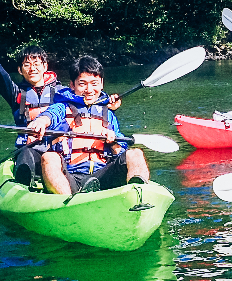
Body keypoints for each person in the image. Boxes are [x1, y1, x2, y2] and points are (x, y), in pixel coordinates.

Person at [26, 54, 147, 196]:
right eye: (82, 84)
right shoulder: (62, 107)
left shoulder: (108, 114)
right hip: (70, 177)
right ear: (72, 85)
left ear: (101, 83)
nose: (89, 90)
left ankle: (139, 195)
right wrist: (40, 123)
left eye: (94, 83)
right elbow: (48, 116)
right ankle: (67, 203)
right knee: (49, 157)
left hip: (103, 175)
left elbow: (120, 152)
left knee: (135, 153)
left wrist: (114, 142)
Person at [0, 22, 61, 186]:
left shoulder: (62, 92)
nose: (32, 68)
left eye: (36, 64)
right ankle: (24, 186)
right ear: (20, 70)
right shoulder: (16, 94)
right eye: (27, 65)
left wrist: (108, 103)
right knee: (25, 155)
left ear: (45, 66)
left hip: (57, 150)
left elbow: (87, 101)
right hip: (29, 150)